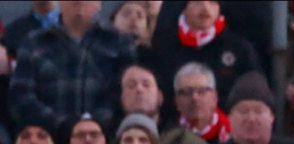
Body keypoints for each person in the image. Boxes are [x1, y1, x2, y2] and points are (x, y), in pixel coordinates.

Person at [8, 0, 136, 130]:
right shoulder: (34, 43)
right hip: (48, 143)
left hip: (105, 140)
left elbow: (127, 96)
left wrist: (91, 127)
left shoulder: (120, 43)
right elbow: (21, 97)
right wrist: (64, 126)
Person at [147, 0, 261, 108]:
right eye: (197, 1)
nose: (205, 8)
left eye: (212, 2)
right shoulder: (165, 47)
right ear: (184, 6)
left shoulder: (239, 49)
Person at [173, 62, 231, 144]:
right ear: (176, 101)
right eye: (187, 92)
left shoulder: (233, 132)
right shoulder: (168, 136)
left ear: (214, 97)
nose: (194, 98)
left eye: (201, 91)